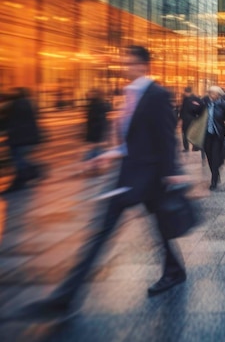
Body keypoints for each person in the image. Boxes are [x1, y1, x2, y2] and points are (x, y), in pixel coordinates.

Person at [10, 46, 186, 321]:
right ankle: (65, 298)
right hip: (129, 176)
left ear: (142, 65)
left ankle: (64, 299)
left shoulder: (157, 94)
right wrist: (106, 154)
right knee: (132, 231)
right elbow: (131, 142)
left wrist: (171, 171)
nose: (123, 66)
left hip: (147, 179)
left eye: (127, 63)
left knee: (107, 234)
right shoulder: (129, 95)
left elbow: (166, 136)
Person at [3, 87, 42, 193]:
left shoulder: (15, 105)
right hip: (27, 136)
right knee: (19, 158)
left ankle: (29, 174)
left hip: (19, 137)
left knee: (18, 159)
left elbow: (6, 119)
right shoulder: (29, 103)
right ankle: (28, 175)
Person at [199, 86, 225, 190]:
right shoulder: (206, 104)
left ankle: (213, 181)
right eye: (209, 93)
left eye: (213, 93)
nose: (211, 95)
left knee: (215, 156)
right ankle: (216, 173)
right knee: (209, 156)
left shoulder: (224, 106)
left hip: (218, 135)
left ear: (218, 95)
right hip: (207, 134)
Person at [83, 88, 110, 173]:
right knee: (96, 149)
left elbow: (100, 120)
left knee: (96, 149)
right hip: (94, 130)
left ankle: (95, 164)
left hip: (96, 130)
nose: (89, 94)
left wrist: (98, 132)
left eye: (92, 93)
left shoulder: (97, 105)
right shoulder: (93, 104)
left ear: (96, 95)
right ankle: (96, 164)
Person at [179, 86, 199, 153]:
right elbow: (182, 109)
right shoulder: (186, 99)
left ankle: (194, 147)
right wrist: (180, 118)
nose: (185, 93)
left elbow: (197, 109)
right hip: (187, 119)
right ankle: (188, 147)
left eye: (185, 92)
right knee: (185, 133)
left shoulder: (194, 99)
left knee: (191, 133)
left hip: (191, 119)